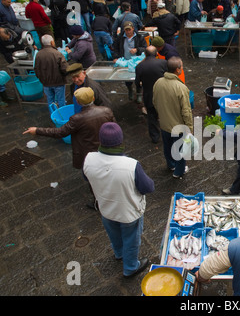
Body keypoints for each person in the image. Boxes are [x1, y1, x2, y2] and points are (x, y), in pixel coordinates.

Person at [83, 122, 155, 278]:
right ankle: (130, 267)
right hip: (128, 212)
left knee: (114, 234)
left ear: (100, 141)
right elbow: (148, 187)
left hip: (106, 209)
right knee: (131, 240)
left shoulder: (89, 159)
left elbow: (86, 176)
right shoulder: (131, 165)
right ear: (120, 142)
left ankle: (119, 253)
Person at [23, 87, 116, 170]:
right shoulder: (106, 111)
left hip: (88, 153)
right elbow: (115, 129)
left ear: (78, 102)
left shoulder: (77, 118)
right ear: (93, 98)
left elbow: (59, 132)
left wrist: (37, 130)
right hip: (105, 148)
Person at [153, 57, 193, 179]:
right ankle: (179, 171)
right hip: (178, 127)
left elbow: (154, 102)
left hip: (165, 124)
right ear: (177, 69)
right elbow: (186, 111)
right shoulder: (181, 87)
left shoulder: (158, 82)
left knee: (167, 146)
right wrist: (190, 127)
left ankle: (171, 165)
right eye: (182, 66)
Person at [135, 46, 168, 143]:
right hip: (163, 95)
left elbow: (137, 83)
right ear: (157, 53)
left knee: (151, 116)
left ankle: (155, 137)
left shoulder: (140, 66)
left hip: (149, 96)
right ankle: (167, 134)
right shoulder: (163, 63)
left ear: (145, 54)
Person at [113, 21, 147, 101]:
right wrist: (116, 57)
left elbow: (145, 48)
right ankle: (130, 90)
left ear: (133, 29)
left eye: (129, 30)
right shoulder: (120, 38)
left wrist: (137, 50)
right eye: (126, 30)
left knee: (138, 78)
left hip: (136, 62)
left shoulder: (139, 37)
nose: (128, 32)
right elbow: (116, 48)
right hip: (125, 61)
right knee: (127, 79)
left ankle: (139, 93)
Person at [34, 34, 68, 110]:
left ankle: (53, 114)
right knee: (61, 100)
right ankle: (62, 116)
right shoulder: (57, 53)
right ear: (52, 42)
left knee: (50, 101)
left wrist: (41, 79)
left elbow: (36, 68)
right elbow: (65, 69)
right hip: (58, 82)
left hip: (46, 83)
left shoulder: (38, 54)